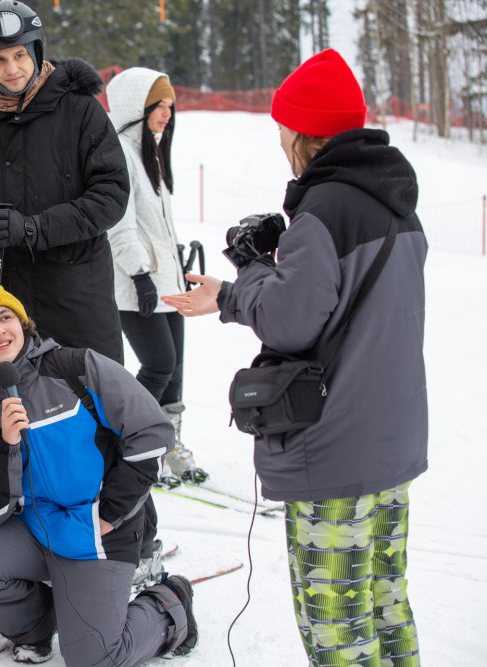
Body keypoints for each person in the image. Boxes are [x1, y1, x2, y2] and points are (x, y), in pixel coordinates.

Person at [162, 49, 426, 667]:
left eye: (284, 126)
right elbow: (351, 308)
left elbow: (291, 321)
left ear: (303, 132)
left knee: (335, 625)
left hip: (337, 446)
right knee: (387, 607)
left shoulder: (324, 208)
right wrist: (253, 280)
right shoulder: (395, 198)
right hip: (393, 437)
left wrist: (248, 271)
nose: (280, 138)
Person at [0, 284, 197, 666]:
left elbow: (153, 433)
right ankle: (38, 625)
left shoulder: (76, 368)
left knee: (94, 660)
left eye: (6, 317)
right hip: (34, 531)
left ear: (23, 325)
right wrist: (4, 446)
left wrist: (111, 513)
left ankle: (168, 605)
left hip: (97, 531)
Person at [0, 0, 129, 365]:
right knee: (20, 416)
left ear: (36, 50)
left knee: (98, 409)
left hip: (78, 300)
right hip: (7, 312)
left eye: (19, 55)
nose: (11, 68)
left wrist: (32, 228)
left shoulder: (80, 111)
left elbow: (110, 196)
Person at [105, 68, 208, 489]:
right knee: (159, 364)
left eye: (170, 105)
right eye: (157, 105)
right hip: (137, 286)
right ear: (136, 106)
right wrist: (140, 274)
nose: (166, 113)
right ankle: (136, 441)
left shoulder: (153, 151)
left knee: (176, 368)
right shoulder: (120, 154)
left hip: (168, 282)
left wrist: (178, 268)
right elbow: (119, 224)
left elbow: (161, 225)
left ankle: (170, 446)